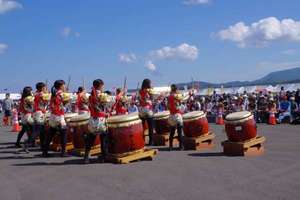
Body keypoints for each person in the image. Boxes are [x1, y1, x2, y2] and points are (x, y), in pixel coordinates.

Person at [84, 79, 110, 164]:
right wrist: (105, 114)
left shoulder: (90, 96)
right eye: (103, 86)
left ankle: (86, 157)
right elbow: (100, 108)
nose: (103, 87)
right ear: (100, 86)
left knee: (90, 139)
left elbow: (92, 107)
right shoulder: (101, 95)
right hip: (101, 120)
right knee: (104, 138)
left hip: (92, 119)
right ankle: (104, 156)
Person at [43, 80, 70, 157]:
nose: (65, 87)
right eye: (64, 85)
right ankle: (63, 152)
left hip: (53, 116)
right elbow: (64, 103)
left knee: (51, 134)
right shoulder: (62, 94)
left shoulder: (54, 94)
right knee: (64, 134)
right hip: (59, 116)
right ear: (61, 86)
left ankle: (45, 151)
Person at [33, 82, 50, 151]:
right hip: (39, 113)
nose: (46, 88)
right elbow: (48, 99)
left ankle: (42, 146)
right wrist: (48, 93)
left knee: (42, 131)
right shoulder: (41, 94)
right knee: (39, 130)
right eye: (45, 87)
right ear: (42, 88)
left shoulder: (37, 94)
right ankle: (27, 144)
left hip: (38, 112)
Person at [138, 79, 154, 145]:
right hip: (148, 109)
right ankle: (151, 141)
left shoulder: (140, 91)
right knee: (150, 127)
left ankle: (142, 141)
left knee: (142, 127)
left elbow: (139, 100)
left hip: (141, 110)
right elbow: (152, 99)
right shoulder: (150, 91)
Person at [167, 84, 184, 151]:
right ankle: (181, 146)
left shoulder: (169, 97)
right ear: (176, 89)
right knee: (180, 132)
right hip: (177, 115)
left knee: (172, 132)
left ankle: (170, 146)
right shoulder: (177, 96)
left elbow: (168, 106)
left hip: (171, 116)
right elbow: (182, 100)